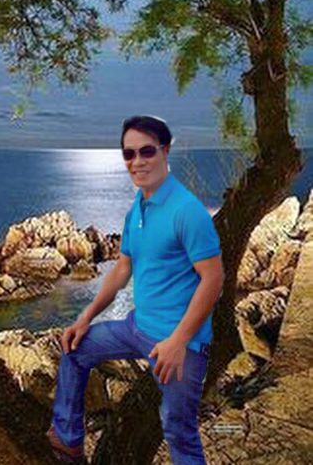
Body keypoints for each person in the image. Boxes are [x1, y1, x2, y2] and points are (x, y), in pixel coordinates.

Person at [46, 115, 224, 464]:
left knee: (178, 431)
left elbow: (213, 279)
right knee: (74, 350)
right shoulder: (137, 210)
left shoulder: (187, 211)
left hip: (180, 343)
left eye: (146, 151)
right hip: (137, 327)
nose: (137, 161)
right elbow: (122, 269)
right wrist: (85, 318)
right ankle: (67, 441)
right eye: (129, 154)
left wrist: (178, 341)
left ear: (165, 151)